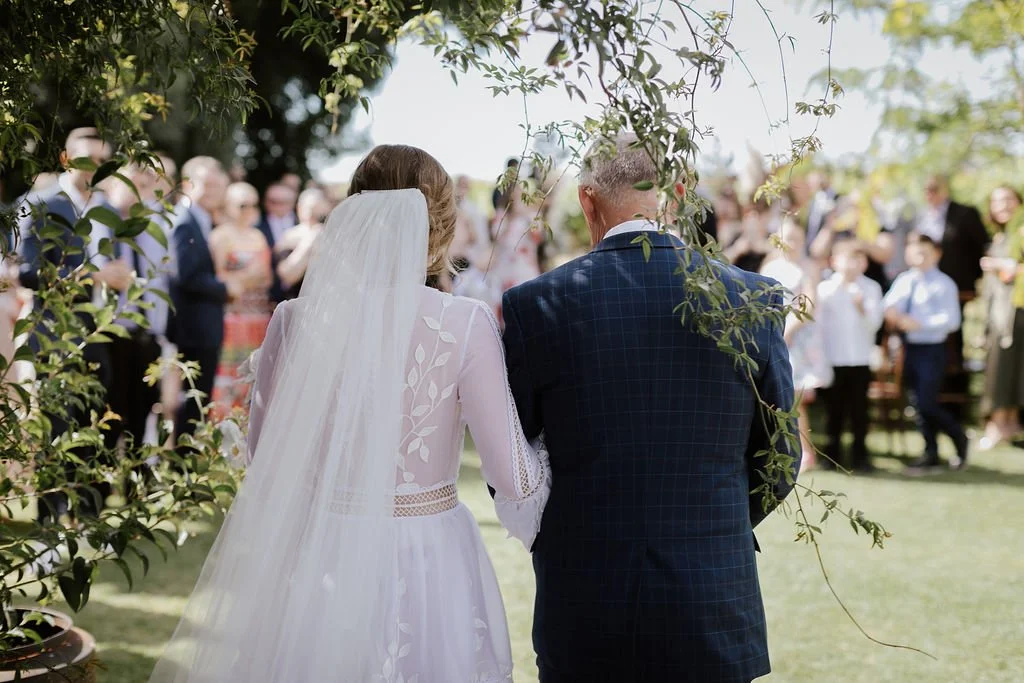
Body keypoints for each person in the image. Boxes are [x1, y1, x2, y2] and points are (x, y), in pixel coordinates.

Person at [151, 145, 551, 682]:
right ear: (438, 227)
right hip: (427, 556)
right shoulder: (465, 323)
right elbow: (513, 479)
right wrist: (552, 449)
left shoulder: (294, 320)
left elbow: (267, 461)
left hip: (323, 558)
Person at [501, 133, 798, 682]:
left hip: (584, 593)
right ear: (680, 193)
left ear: (588, 200)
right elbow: (781, 457)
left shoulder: (537, 305)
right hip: (713, 594)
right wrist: (720, 520)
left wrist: (550, 533)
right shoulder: (751, 297)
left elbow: (509, 458)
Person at [17, 127, 130, 521]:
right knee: (55, 426)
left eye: (102, 163)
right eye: (87, 161)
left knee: (94, 421)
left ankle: (85, 516)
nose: (95, 170)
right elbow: (27, 273)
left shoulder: (108, 210)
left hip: (96, 331)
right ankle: (48, 521)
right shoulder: (40, 203)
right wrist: (94, 277)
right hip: (52, 332)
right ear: (66, 159)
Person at [884, 233, 968, 470]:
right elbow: (890, 306)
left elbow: (951, 320)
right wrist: (895, 315)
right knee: (918, 404)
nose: (919, 257)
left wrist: (920, 323)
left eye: (924, 252)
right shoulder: (905, 280)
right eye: (915, 251)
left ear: (936, 254)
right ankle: (930, 451)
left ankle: (958, 436)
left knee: (927, 402)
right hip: (909, 348)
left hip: (932, 348)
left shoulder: (944, 284)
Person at [169, 157, 232, 446]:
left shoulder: (205, 220)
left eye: (218, 185)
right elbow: (186, 276)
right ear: (187, 185)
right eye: (207, 184)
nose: (213, 190)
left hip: (205, 328)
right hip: (192, 330)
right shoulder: (184, 221)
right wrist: (226, 287)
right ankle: (182, 471)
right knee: (190, 405)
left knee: (199, 404)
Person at [761, 221, 832, 471]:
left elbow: (809, 302)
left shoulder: (807, 266)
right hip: (775, 334)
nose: (791, 243)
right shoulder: (770, 265)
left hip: (798, 336)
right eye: (786, 237)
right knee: (775, 395)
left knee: (793, 396)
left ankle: (805, 451)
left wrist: (789, 329)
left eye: (796, 238)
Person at [919, 175, 990, 416]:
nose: (930, 194)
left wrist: (974, 281)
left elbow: (982, 246)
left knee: (954, 342)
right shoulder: (923, 217)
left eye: (934, 189)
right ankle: (927, 396)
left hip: (957, 289)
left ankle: (955, 403)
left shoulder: (965, 213)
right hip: (927, 290)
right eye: (926, 190)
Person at [816, 240, 884, 472]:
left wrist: (861, 308)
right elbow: (819, 325)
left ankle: (860, 456)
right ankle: (831, 456)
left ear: (863, 263)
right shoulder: (825, 289)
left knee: (859, 411)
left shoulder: (871, 288)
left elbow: (874, 325)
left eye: (856, 259)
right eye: (846, 259)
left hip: (860, 359)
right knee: (834, 411)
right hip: (832, 358)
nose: (851, 265)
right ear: (834, 261)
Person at [208, 182, 273, 418]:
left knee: (253, 376)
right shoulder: (221, 236)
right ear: (229, 205)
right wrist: (248, 276)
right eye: (242, 205)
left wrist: (245, 278)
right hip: (233, 317)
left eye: (253, 204)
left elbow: (266, 278)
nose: (248, 210)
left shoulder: (257, 235)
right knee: (229, 377)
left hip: (258, 316)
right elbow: (221, 280)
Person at [979, 185, 1024, 448]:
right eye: (997, 201)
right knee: (999, 365)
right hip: (998, 311)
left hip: (1016, 310)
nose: (1003, 206)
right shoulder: (999, 237)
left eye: (1008, 200)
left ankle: (1006, 424)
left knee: (1011, 367)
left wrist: (1000, 265)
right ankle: (1000, 424)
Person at [273, 187, 333, 300]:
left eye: (321, 215)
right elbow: (288, 276)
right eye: (312, 212)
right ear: (299, 209)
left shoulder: (334, 237)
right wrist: (309, 242)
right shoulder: (289, 237)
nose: (317, 220)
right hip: (297, 301)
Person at [257, 181, 299, 303]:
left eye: (284, 202)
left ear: (292, 203)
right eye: (273, 202)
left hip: (298, 296)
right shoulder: (256, 228)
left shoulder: (303, 225)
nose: (279, 206)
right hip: (268, 299)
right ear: (265, 202)